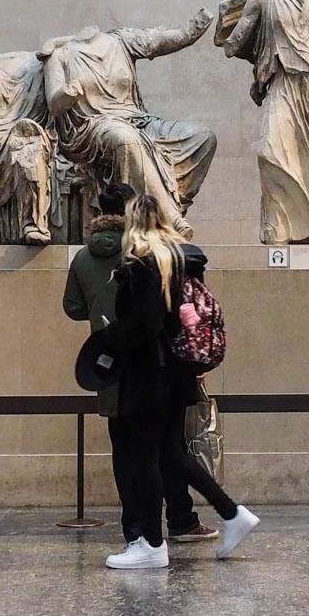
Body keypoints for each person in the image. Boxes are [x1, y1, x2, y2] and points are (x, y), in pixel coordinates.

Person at [100, 195, 258, 571]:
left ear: (133, 223)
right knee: (171, 455)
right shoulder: (181, 259)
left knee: (145, 459)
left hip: (148, 376)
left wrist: (113, 335)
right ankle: (232, 513)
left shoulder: (143, 262)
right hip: (175, 375)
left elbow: (147, 322)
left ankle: (152, 544)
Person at [63, 181, 215, 544]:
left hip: (109, 367)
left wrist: (100, 309)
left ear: (100, 211)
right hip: (155, 367)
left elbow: (73, 308)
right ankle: (181, 519)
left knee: (124, 450)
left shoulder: (83, 257)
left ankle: (134, 529)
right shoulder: (147, 253)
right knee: (169, 447)